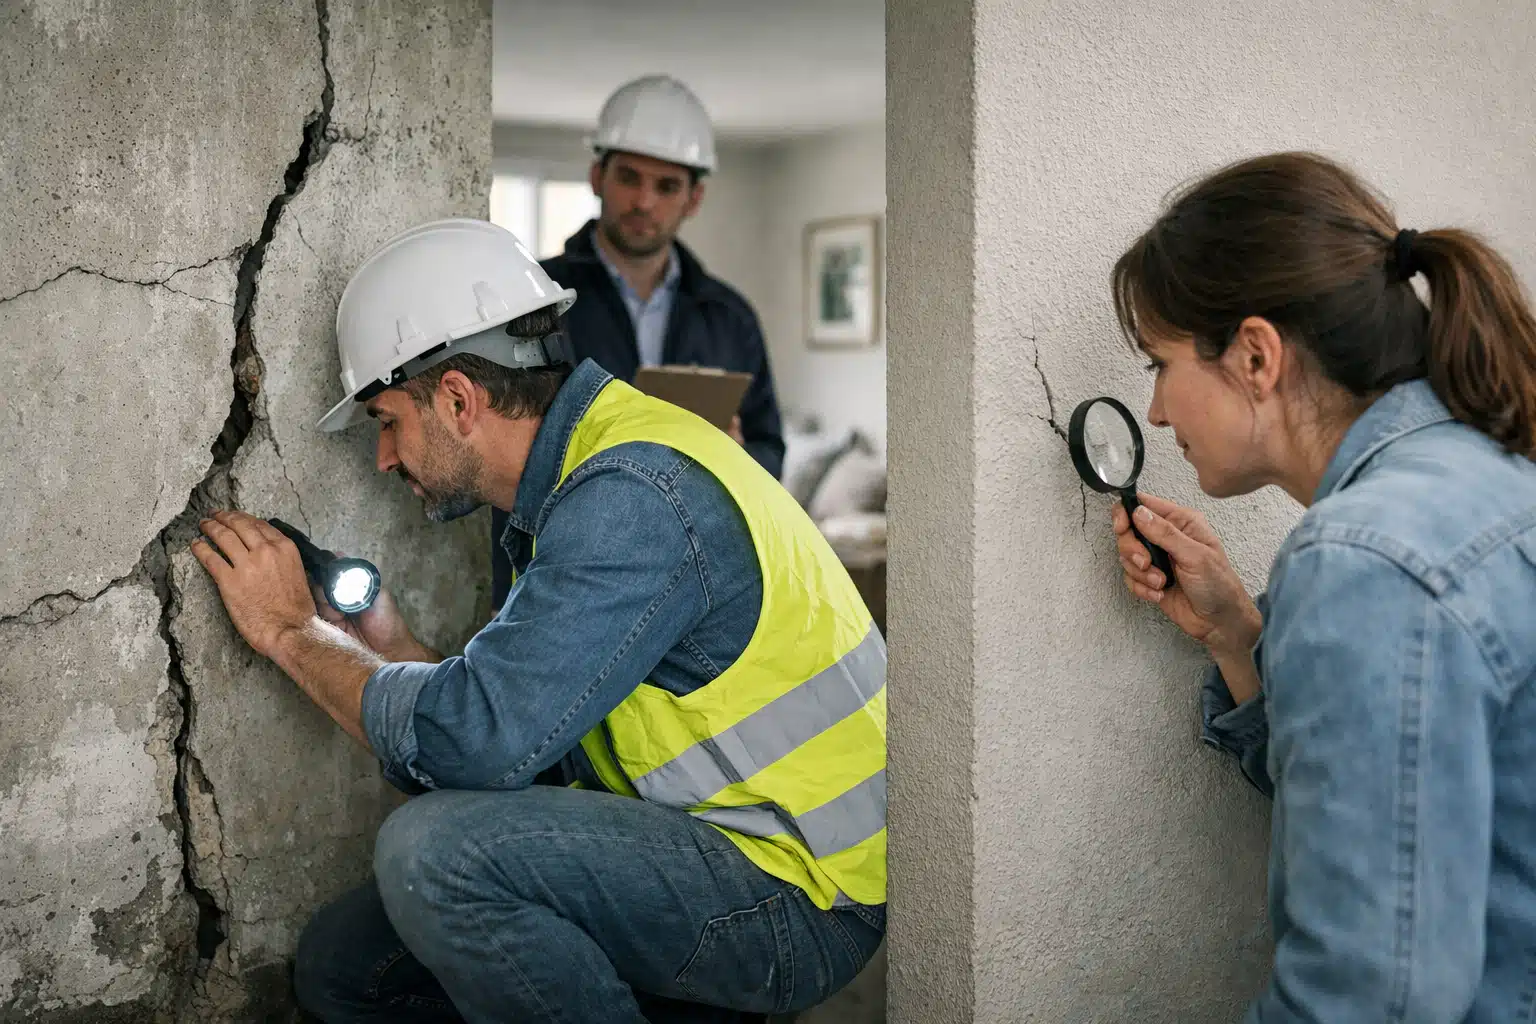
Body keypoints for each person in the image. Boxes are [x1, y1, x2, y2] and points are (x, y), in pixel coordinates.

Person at [188, 218, 886, 1023]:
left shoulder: (633, 499)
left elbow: (478, 745)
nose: (382, 459)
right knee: (345, 967)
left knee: (434, 856)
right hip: (705, 836)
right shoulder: (576, 484)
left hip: (802, 891)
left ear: (457, 399)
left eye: (387, 422)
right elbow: (519, 735)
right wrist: (384, 643)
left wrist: (289, 634)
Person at [1106, 151, 1536, 1021]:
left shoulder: (1367, 562)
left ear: (1256, 356)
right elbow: (1423, 817)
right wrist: (1237, 634)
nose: (1154, 411)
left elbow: (1375, 994)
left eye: (1159, 363)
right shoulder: (1490, 472)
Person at [491, 73, 785, 609]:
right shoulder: (533, 299)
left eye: (667, 186)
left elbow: (770, 448)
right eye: (629, 176)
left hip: (689, 580)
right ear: (597, 175)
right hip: (558, 569)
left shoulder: (730, 317)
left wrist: (739, 457)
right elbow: (496, 436)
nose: (643, 201)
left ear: (694, 198)